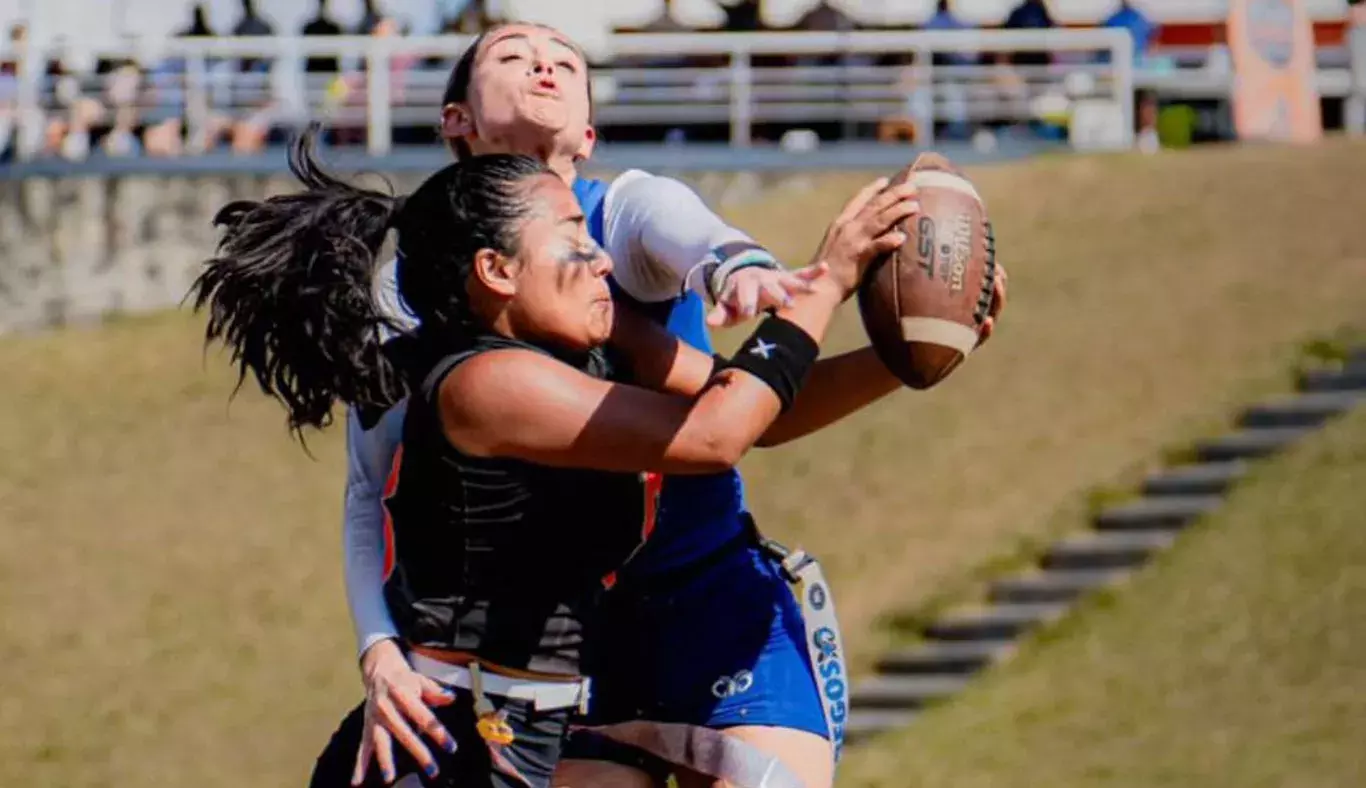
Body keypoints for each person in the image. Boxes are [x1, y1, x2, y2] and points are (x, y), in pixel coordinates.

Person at [339, 22, 1006, 788]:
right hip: (557, 648)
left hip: (703, 592)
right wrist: (377, 649)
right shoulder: (439, 333)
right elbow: (368, 493)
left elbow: (726, 323)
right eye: (514, 55)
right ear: (455, 118)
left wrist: (757, 278)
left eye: (566, 61)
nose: (545, 67)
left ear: (589, 131)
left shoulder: (619, 229)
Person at [192, 127, 919, 787]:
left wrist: (909, 360)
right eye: (573, 235)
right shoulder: (484, 384)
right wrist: (826, 281)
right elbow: (712, 439)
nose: (600, 255)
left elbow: (756, 414)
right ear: (497, 271)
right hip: (442, 753)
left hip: (534, 738)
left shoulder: (599, 341)